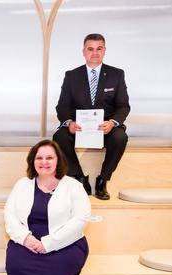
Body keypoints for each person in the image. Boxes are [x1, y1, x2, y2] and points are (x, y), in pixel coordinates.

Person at [4, 139, 91, 275]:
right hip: (27, 242)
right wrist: (26, 239)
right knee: (18, 268)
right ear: (32, 162)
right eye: (39, 158)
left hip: (66, 244)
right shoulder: (22, 185)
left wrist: (49, 244)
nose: (44, 162)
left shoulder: (73, 186)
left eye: (49, 157)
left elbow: (81, 220)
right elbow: (9, 215)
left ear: (58, 160)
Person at [53, 33, 130, 200]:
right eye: (90, 49)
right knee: (59, 136)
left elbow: (123, 106)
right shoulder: (72, 76)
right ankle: (80, 178)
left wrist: (112, 122)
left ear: (104, 51)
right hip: (79, 129)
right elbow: (62, 106)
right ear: (83, 51)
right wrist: (69, 123)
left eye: (99, 49)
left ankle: (103, 180)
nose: (95, 53)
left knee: (120, 137)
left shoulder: (117, 74)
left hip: (105, 129)